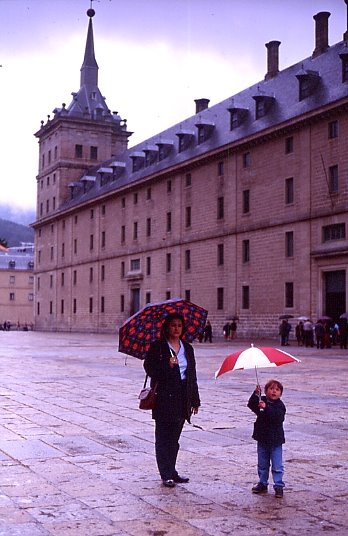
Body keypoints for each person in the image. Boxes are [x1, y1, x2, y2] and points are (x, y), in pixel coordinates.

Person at [144, 313, 201, 488]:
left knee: (175, 437)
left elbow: (192, 375)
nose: (176, 328)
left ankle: (172, 470)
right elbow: (149, 368)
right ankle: (165, 473)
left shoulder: (187, 348)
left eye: (179, 325)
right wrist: (166, 365)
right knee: (163, 437)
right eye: (173, 325)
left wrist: (195, 399)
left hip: (183, 396)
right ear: (167, 327)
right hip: (164, 397)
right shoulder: (158, 347)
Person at [247, 379, 286, 499]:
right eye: (271, 389)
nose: (274, 391)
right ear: (266, 391)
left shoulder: (280, 405)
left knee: (277, 465)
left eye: (277, 389)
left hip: (275, 440)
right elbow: (252, 405)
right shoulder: (262, 400)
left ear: (280, 393)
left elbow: (277, 417)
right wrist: (256, 394)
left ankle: (278, 485)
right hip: (262, 438)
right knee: (262, 464)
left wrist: (266, 408)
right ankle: (262, 483)